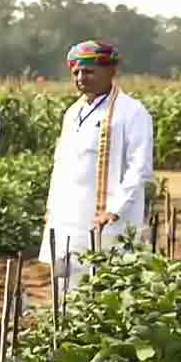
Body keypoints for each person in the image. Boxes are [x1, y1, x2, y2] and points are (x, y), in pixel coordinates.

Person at [40, 40, 153, 287]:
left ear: (111, 71)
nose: (81, 77)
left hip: (108, 217)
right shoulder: (72, 113)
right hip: (68, 216)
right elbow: (61, 164)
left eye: (89, 71)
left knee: (106, 282)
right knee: (66, 283)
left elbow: (140, 167)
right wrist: (51, 206)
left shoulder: (131, 112)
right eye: (76, 72)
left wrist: (114, 209)